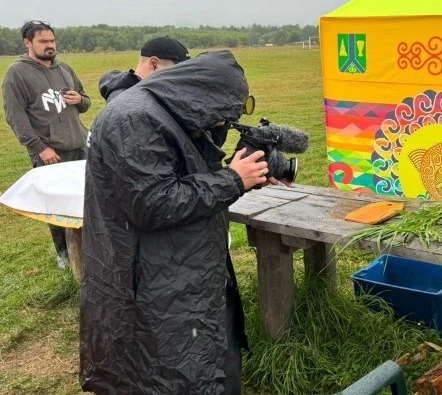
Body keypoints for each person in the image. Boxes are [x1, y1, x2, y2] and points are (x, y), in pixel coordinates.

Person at [80, 50, 272, 394]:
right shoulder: (135, 119)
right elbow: (152, 203)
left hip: (183, 268)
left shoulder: (167, 112)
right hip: (152, 282)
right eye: (220, 116)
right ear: (201, 93)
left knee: (209, 361)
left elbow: (188, 180)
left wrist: (247, 175)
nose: (219, 125)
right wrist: (232, 180)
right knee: (167, 372)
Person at [2, 20, 91, 269]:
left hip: (79, 143)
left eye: (52, 40)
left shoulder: (65, 69)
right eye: (43, 41)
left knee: (85, 198)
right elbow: (15, 118)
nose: (50, 46)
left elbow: (85, 102)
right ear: (27, 43)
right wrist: (41, 148)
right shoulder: (16, 74)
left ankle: (89, 246)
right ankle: (63, 253)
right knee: (56, 205)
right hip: (51, 151)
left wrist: (79, 100)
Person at [98, 36, 190, 103]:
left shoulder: (140, 93)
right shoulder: (132, 102)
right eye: (175, 72)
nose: (179, 78)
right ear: (154, 64)